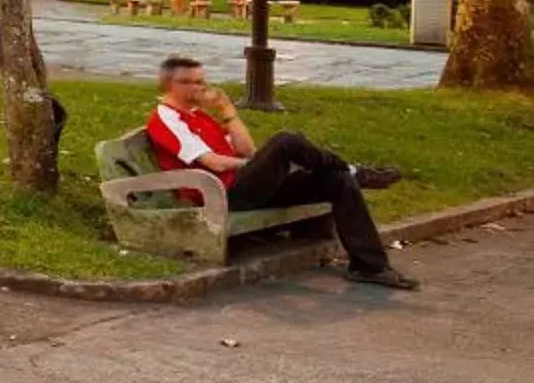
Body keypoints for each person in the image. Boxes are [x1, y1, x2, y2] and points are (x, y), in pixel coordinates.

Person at [146, 56, 415, 288]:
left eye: (202, 81)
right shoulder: (165, 119)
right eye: (191, 82)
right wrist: (265, 164)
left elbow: (247, 150)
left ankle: (369, 266)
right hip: (223, 195)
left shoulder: (199, 116)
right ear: (170, 84)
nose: (200, 87)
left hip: (249, 187)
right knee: (286, 141)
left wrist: (227, 111)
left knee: (337, 180)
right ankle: (357, 171)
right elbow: (214, 163)